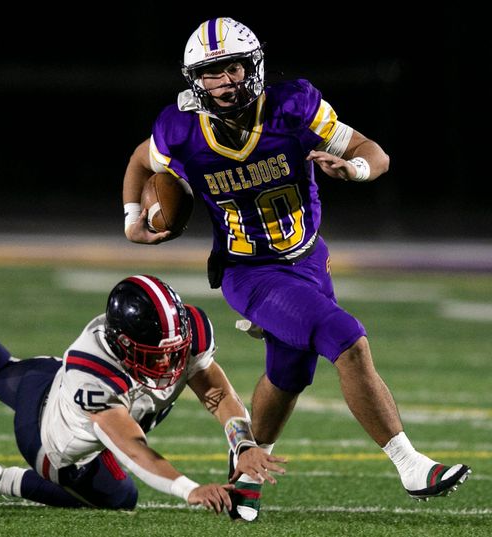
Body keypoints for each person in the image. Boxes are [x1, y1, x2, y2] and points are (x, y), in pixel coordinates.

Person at [121, 17, 471, 521]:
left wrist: (353, 169)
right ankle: (409, 462)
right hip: (249, 271)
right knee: (344, 335)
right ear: (194, 79)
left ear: (253, 65)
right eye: (212, 73)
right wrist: (135, 220)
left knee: (289, 372)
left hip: (308, 259)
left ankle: (244, 478)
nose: (224, 83)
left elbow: (376, 153)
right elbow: (140, 160)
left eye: (233, 68)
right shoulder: (179, 126)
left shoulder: (293, 104)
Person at [0, 274, 286, 515]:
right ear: (123, 344)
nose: (168, 364)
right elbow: (134, 448)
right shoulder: (94, 373)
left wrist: (243, 442)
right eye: (156, 355)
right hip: (55, 446)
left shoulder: (186, 331)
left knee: (5, 369)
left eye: (174, 352)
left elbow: (214, 390)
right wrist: (189, 488)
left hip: (51, 378)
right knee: (121, 498)